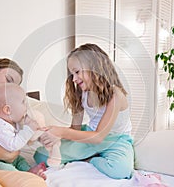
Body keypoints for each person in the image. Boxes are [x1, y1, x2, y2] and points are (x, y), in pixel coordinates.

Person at [34, 43, 134, 179]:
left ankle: (91, 159)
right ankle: (89, 154)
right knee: (41, 155)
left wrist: (60, 131)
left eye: (77, 72)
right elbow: (75, 129)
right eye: (72, 74)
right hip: (89, 136)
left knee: (120, 171)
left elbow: (99, 137)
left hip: (116, 141)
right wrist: (54, 136)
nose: (74, 79)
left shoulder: (115, 94)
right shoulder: (81, 94)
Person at [0, 83, 61, 179]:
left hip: (5, 157)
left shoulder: (12, 121)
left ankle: (28, 171)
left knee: (19, 160)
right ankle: (22, 177)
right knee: (4, 168)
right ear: (7, 110)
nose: (27, 106)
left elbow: (27, 139)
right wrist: (29, 129)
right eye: (23, 102)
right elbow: (13, 146)